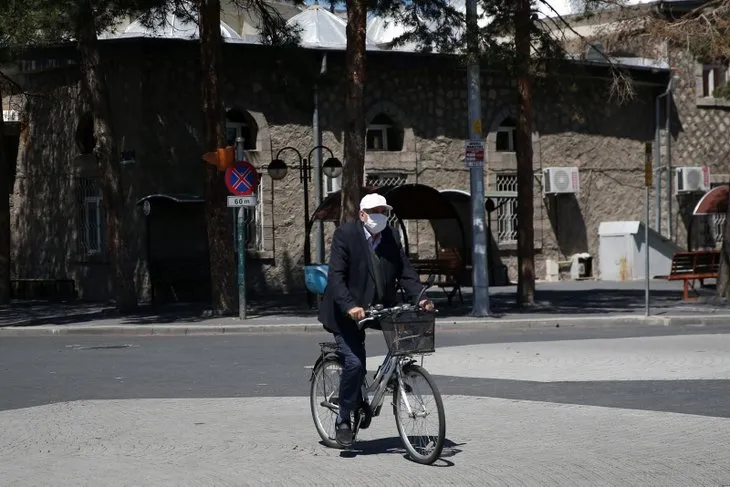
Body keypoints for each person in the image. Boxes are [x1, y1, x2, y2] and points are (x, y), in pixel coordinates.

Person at [317, 193, 434, 448]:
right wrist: (350, 306)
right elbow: (336, 277)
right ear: (362, 215)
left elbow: (405, 271)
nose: (380, 216)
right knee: (355, 363)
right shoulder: (345, 235)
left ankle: (392, 380)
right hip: (346, 311)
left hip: (380, 307)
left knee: (402, 344)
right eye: (375, 211)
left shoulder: (389, 236)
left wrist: (421, 298)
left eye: (384, 211)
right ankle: (344, 418)